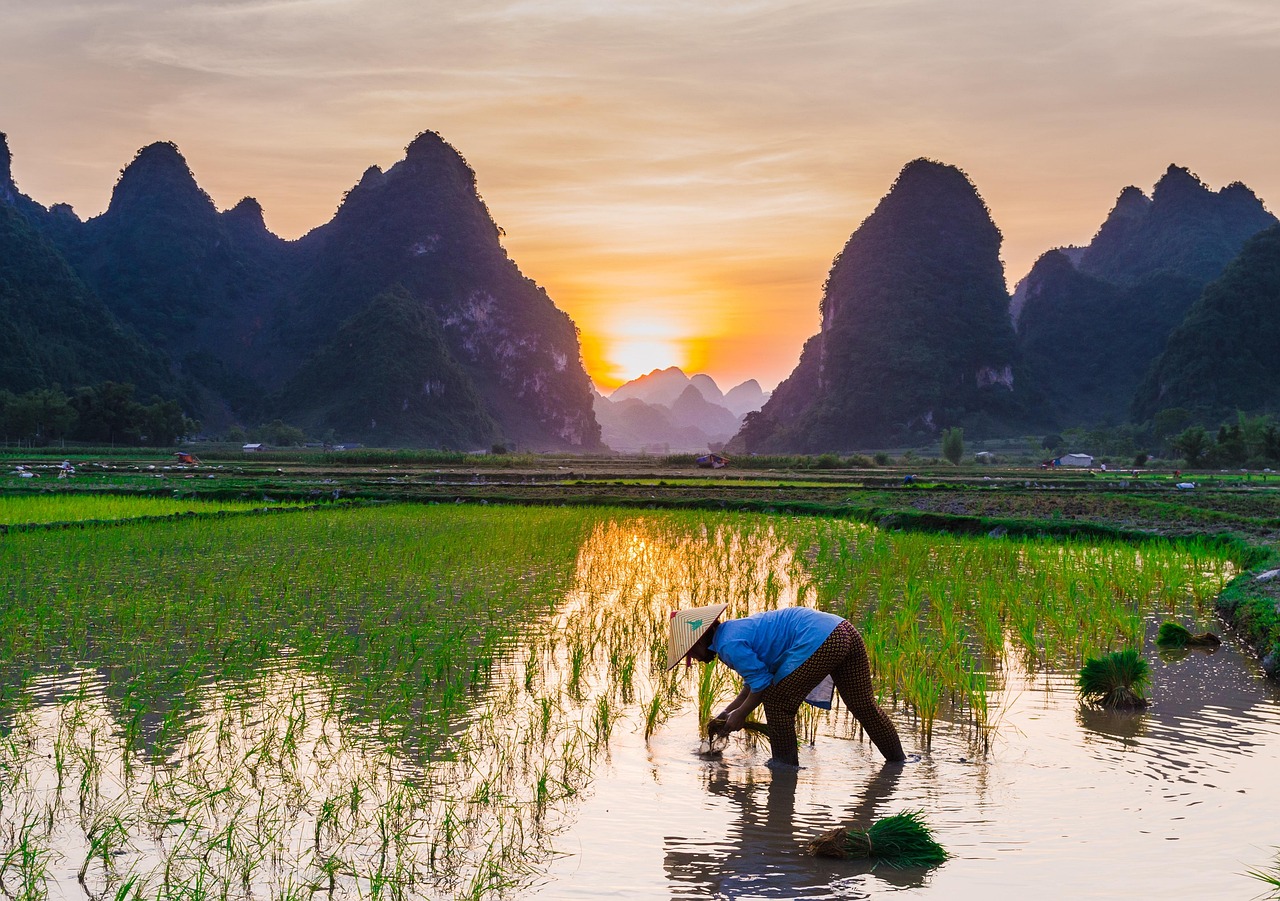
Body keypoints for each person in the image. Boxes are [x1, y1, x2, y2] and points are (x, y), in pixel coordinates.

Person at [668, 604, 905, 767]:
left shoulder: (728, 645)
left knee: (777, 703)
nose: (696, 660)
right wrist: (727, 713)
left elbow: (762, 685)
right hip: (843, 630)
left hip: (821, 639)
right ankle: (898, 763)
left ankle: (784, 769)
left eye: (691, 653)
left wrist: (741, 715)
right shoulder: (732, 632)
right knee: (863, 706)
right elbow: (752, 684)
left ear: (699, 640)